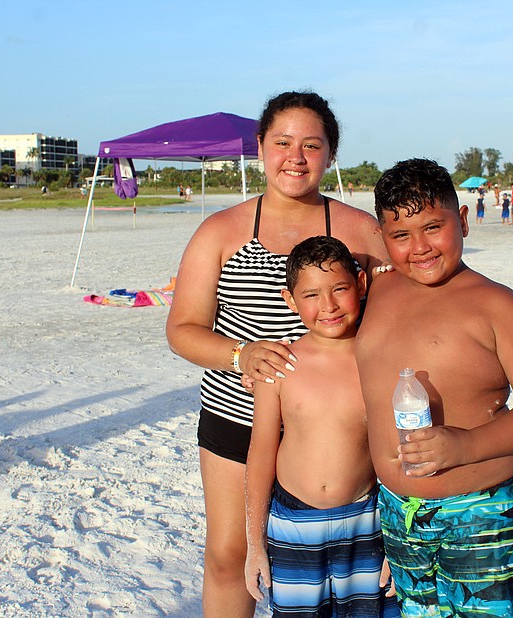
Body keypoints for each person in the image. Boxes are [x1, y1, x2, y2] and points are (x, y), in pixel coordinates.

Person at [165, 91, 387, 618]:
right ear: (260, 146)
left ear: (331, 154)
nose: (296, 156)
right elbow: (182, 329)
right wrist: (240, 355)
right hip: (236, 418)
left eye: (312, 145)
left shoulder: (359, 233)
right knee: (228, 556)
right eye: (283, 142)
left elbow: (395, 321)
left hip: (333, 426)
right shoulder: (220, 231)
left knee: (339, 563)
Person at [355, 158, 513, 617]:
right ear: (382, 238)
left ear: (465, 221)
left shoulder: (496, 306)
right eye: (400, 235)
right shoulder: (377, 292)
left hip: (480, 512)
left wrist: (466, 445)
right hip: (397, 511)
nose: (420, 247)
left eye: (434, 227)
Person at [245, 235, 399, 617]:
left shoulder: (379, 359)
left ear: (360, 285)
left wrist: (397, 545)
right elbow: (262, 449)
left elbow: (397, 452)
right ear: (289, 300)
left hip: (367, 522)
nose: (327, 306)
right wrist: (254, 543)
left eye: (340, 289)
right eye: (311, 295)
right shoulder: (279, 364)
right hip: (293, 525)